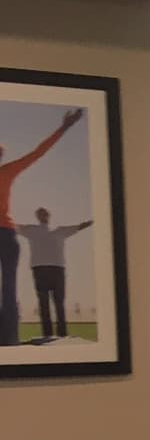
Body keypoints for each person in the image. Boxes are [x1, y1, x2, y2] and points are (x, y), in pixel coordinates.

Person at [0, 108, 85, 347]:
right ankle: (9, 339)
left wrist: (63, 128)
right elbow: (37, 153)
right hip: (6, 235)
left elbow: (38, 153)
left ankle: (8, 339)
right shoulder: (7, 171)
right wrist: (64, 128)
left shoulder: (6, 172)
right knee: (8, 288)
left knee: (8, 289)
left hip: (6, 235)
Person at [18, 207, 92, 343]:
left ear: (48, 215)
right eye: (40, 213)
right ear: (37, 216)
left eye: (44, 213)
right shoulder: (31, 230)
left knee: (59, 303)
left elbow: (79, 227)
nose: (42, 215)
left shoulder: (60, 231)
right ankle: (47, 335)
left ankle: (62, 335)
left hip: (57, 270)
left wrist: (96, 220)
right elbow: (13, 226)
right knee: (44, 303)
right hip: (39, 270)